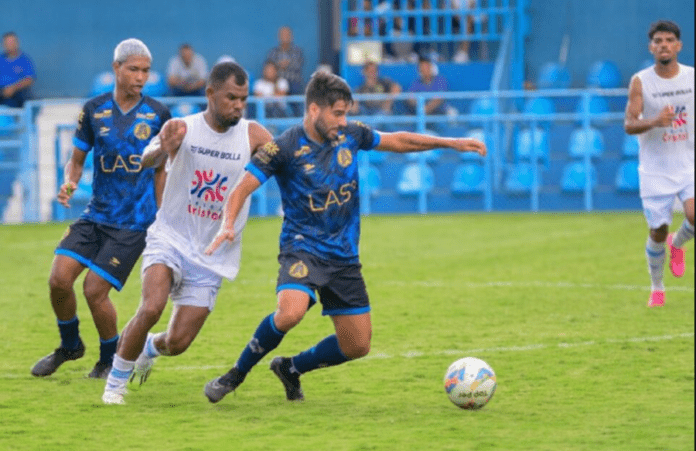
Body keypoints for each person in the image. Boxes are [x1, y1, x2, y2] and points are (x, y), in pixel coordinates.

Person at [203, 70, 486, 403]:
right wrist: (227, 224)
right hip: (303, 248)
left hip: (344, 257)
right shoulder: (283, 148)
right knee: (291, 312)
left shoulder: (352, 135)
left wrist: (451, 142)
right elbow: (241, 189)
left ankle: (291, 368)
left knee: (357, 346)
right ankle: (235, 374)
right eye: (337, 113)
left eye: (346, 113)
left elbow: (398, 140)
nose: (343, 120)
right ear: (314, 109)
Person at [101, 61, 273, 405]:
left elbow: (285, 160)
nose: (238, 105)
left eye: (243, 99)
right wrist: (162, 147)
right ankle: (114, 386)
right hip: (170, 238)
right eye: (231, 98)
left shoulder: (253, 135)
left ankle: (150, 347)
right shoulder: (182, 127)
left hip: (212, 254)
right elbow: (146, 159)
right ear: (210, 94)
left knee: (177, 343)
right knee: (152, 307)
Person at [30, 38, 171, 379]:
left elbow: (161, 171)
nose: (141, 77)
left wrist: (162, 216)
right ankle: (70, 345)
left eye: (146, 71)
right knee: (58, 280)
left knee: (94, 290)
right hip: (96, 215)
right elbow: (77, 160)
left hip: (133, 223)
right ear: (116, 69)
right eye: (134, 69)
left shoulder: (158, 115)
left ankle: (109, 359)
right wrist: (70, 182)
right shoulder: (93, 110)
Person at [624, 20, 694, 308]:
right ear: (651, 47)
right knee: (657, 231)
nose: (663, 45)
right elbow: (629, 124)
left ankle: (677, 244)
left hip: (689, 162)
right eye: (658, 41)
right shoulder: (641, 81)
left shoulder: (691, 77)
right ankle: (657, 287)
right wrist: (655, 121)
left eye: (669, 40)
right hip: (655, 169)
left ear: (678, 46)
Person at [0, 32, 35, 107]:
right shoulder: (1, 59)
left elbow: (29, 79)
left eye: (11, 42)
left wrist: (13, 88)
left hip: (17, 95)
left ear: (17, 43)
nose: (9, 45)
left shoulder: (25, 60)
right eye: (6, 43)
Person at [266, 26, 304, 95]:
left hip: (293, 82)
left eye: (287, 35)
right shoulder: (273, 52)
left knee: (295, 86)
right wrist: (282, 64)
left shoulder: (297, 51)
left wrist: (281, 65)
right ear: (279, 37)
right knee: (271, 87)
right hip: (278, 82)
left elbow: (297, 66)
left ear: (291, 37)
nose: (285, 37)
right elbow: (270, 67)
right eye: (283, 35)